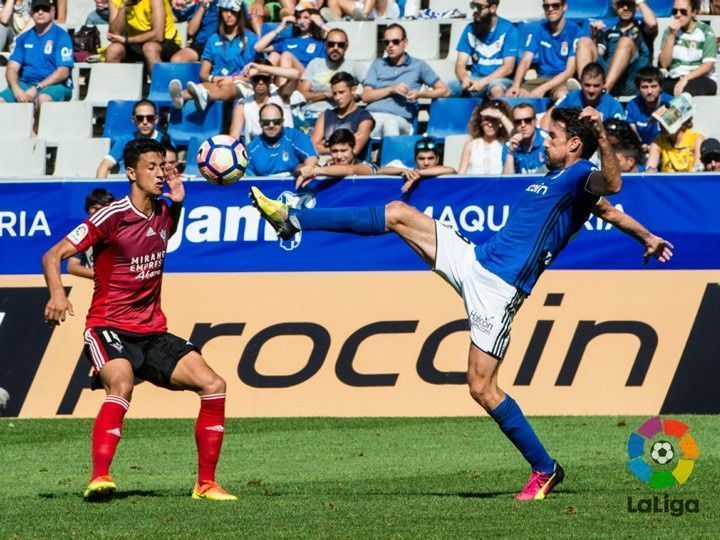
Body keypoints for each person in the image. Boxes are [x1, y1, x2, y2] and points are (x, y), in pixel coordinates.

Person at [249, 106, 673, 501]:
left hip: (500, 292)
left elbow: (615, 188)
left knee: (481, 388)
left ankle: (545, 468)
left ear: (574, 144)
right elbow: (613, 213)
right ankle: (293, 220)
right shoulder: (562, 181)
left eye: (552, 137)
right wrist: (649, 237)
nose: (543, 142)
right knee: (398, 212)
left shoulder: (582, 172)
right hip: (475, 260)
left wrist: (599, 131)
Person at [42, 138, 236, 502]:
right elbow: (54, 255)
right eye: (151, 166)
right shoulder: (110, 216)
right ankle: (99, 477)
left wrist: (179, 204)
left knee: (214, 384)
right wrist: (57, 293)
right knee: (122, 384)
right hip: (108, 328)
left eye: (162, 166)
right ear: (130, 172)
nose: (160, 173)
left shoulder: (164, 212)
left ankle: (205, 484)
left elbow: (164, 231)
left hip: (152, 332)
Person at [168, 0, 258, 111]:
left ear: (240, 13)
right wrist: (213, 78)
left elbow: (260, 70)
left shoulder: (252, 38)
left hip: (243, 84)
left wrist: (233, 79)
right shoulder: (213, 39)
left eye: (232, 11)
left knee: (224, 87)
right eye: (225, 11)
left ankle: (205, 96)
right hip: (218, 82)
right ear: (220, 13)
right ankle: (181, 97)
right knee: (203, 86)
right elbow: (203, 74)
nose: (228, 15)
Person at [363, 23, 450, 137]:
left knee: (390, 124)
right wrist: (390, 89)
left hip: (399, 119)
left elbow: (445, 91)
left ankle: (393, 155)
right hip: (372, 116)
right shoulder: (378, 64)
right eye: (386, 42)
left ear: (405, 42)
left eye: (395, 41)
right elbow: (366, 96)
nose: (390, 45)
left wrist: (419, 94)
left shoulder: (418, 66)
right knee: (356, 125)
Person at [506, 0, 588, 100]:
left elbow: (569, 71)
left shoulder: (575, 31)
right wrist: (516, 85)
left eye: (555, 5)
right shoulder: (538, 28)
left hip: (562, 80)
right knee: (515, 95)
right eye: (546, 6)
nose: (550, 9)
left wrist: (542, 89)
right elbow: (525, 60)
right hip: (542, 78)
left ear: (564, 7)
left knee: (562, 95)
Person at [0, 0, 73, 110]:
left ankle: (37, 127)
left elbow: (63, 72)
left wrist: (37, 88)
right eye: (36, 9)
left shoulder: (62, 37)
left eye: (45, 9)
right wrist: (16, 89)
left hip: (55, 85)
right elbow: (11, 68)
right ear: (30, 12)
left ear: (53, 11)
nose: (40, 12)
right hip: (26, 83)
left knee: (43, 100)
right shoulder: (23, 38)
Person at [575, 0, 657, 97]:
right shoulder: (609, 31)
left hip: (633, 80)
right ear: (615, 6)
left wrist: (640, 2)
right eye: (621, 4)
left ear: (636, 6)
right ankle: (584, 88)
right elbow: (598, 56)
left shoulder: (642, 28)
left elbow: (652, 23)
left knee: (625, 41)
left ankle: (604, 91)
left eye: (629, 4)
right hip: (608, 73)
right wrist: (594, 38)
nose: (625, 8)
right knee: (584, 41)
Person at [296, 27, 366, 128]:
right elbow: (302, 95)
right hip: (312, 113)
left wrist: (356, 94)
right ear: (325, 45)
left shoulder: (354, 66)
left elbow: (369, 87)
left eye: (340, 45)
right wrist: (326, 95)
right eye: (331, 44)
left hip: (340, 116)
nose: (335, 48)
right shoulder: (315, 64)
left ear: (346, 47)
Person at [453, 0, 518, 99]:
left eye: (479, 6)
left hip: (500, 79)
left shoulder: (509, 29)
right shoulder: (469, 29)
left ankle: (500, 113)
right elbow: (460, 64)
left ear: (493, 8)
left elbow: (508, 68)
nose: (474, 10)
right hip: (475, 78)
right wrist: (464, 77)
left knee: (496, 89)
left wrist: (483, 82)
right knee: (446, 88)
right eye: (473, 5)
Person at [96, 99, 173, 178]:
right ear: (133, 120)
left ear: (156, 119)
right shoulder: (125, 140)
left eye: (150, 118)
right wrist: (101, 188)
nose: (145, 122)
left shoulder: (165, 140)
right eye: (140, 118)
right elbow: (104, 166)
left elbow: (171, 170)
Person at [228, 59, 299, 142]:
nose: (260, 82)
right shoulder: (243, 105)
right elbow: (234, 137)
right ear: (250, 80)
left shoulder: (281, 95)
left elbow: (296, 75)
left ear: (271, 79)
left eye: (264, 78)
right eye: (256, 79)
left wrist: (260, 67)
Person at [542, 63, 625, 131]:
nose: (591, 90)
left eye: (596, 86)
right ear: (581, 82)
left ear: (604, 84)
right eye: (587, 85)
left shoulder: (613, 106)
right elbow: (545, 123)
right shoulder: (570, 98)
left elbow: (620, 136)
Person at [659, 0, 717, 96]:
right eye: (675, 11)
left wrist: (685, 79)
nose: (678, 15)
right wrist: (672, 34)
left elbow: (707, 65)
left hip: (701, 78)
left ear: (693, 12)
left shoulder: (706, 31)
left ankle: (674, 110)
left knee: (686, 89)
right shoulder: (669, 32)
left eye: (683, 11)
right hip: (675, 77)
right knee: (654, 89)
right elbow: (664, 63)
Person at [105, 0, 183, 71]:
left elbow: (158, 35)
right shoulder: (115, 1)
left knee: (150, 48)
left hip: (166, 41)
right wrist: (122, 7)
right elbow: (114, 33)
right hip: (135, 44)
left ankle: (160, 85)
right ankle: (115, 85)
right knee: (113, 50)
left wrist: (127, 40)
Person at [310, 71, 374, 157]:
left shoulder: (364, 117)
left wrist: (326, 143)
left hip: (351, 166)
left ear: (353, 90)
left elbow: (355, 150)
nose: (337, 98)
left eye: (341, 92)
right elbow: (312, 147)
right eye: (334, 94)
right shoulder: (326, 115)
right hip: (325, 163)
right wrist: (344, 147)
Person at [245, 102, 318, 176]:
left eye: (276, 121)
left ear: (282, 122)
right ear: (260, 123)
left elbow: (311, 158)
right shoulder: (251, 149)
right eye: (266, 122)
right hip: (264, 187)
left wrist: (307, 169)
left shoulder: (295, 137)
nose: (271, 125)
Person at [254, 2, 328, 71]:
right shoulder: (288, 41)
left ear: (314, 19)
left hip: (305, 78)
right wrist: (280, 27)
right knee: (274, 55)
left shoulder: (321, 42)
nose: (301, 21)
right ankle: (262, 80)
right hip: (287, 76)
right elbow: (258, 48)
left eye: (306, 17)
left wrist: (320, 23)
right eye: (298, 17)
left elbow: (338, 38)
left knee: (286, 55)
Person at [296, 128, 376, 189]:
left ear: (353, 148)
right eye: (334, 151)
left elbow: (350, 170)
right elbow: (298, 168)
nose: (339, 156)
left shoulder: (367, 167)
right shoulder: (325, 168)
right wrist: (302, 169)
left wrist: (314, 171)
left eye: (343, 150)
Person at [67, 188, 116, 280]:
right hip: (98, 284)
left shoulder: (122, 231)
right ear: (88, 209)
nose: (98, 213)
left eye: (103, 209)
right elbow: (72, 266)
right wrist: (101, 274)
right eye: (94, 208)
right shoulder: (83, 233)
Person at [378, 137, 456, 193]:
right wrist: (402, 170)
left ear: (437, 159)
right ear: (415, 159)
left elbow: (451, 170)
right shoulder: (407, 170)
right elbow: (380, 171)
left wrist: (416, 175)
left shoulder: (441, 172)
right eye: (421, 158)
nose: (426, 163)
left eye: (430, 158)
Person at [646, 101, 704, 172]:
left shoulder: (696, 139)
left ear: (680, 123)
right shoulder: (658, 142)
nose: (661, 126)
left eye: (666, 122)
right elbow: (650, 172)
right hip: (666, 183)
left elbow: (699, 173)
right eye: (660, 122)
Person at [458, 100, 513, 175]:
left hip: (498, 185)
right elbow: (461, 174)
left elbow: (515, 136)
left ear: (500, 123)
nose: (490, 125)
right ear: (480, 123)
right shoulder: (471, 145)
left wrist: (501, 116)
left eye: (494, 120)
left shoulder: (505, 144)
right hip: (475, 185)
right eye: (486, 119)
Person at [624, 66, 673, 150]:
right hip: (642, 150)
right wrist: (641, 146)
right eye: (644, 87)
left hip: (667, 149)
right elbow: (633, 135)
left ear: (661, 87)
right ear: (638, 88)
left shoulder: (671, 103)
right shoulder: (632, 106)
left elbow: (675, 134)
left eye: (653, 86)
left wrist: (655, 148)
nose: (649, 91)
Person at [502, 102, 547, 174]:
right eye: (518, 121)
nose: (523, 125)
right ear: (513, 124)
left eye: (528, 120)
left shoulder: (547, 140)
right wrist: (510, 153)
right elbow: (506, 180)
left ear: (535, 121)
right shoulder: (509, 146)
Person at [320, 0, 400, 21]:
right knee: (333, 1)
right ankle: (338, 23)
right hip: (364, 9)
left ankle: (363, 16)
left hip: (386, 10)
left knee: (362, 13)